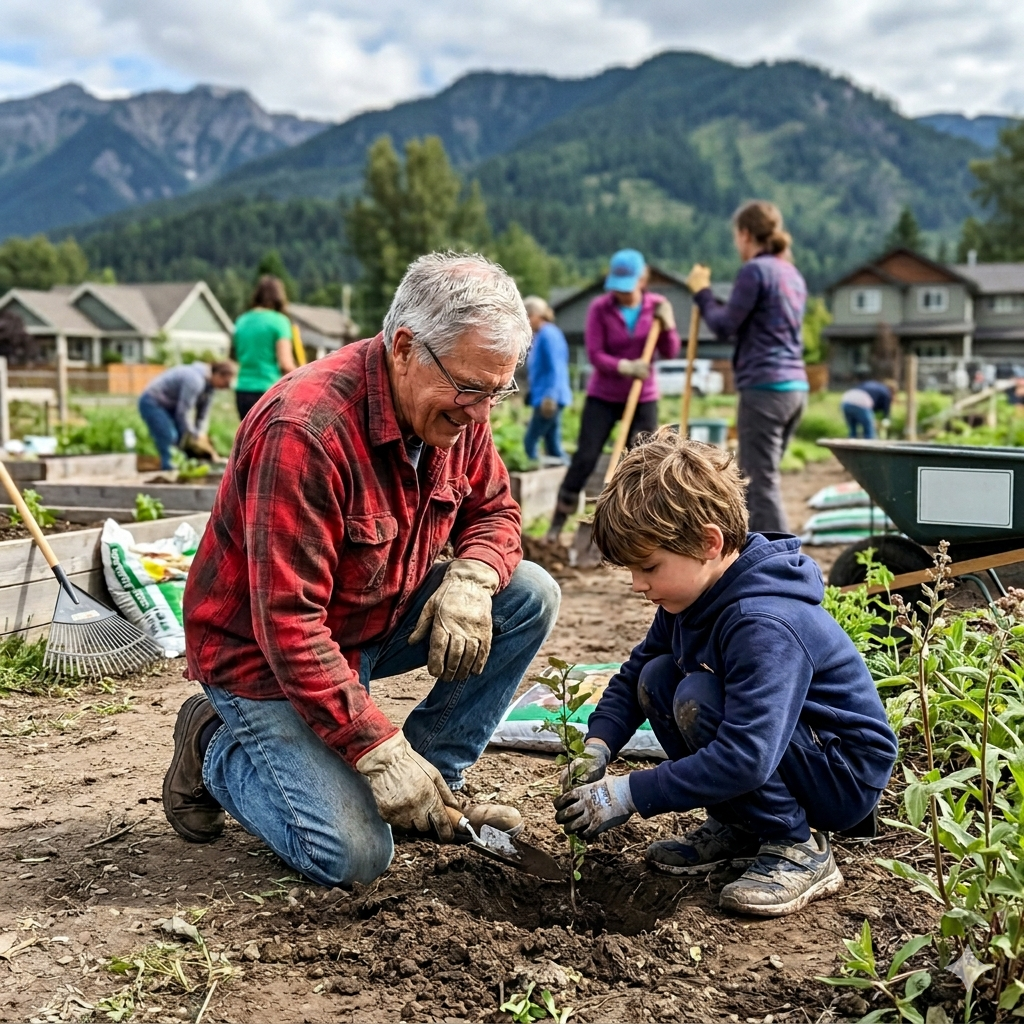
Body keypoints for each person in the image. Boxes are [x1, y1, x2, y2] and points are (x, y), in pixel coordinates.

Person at [164, 252, 562, 889]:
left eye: (497, 393)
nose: (480, 415)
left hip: (372, 621)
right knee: (352, 856)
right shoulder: (306, 430)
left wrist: (474, 575)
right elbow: (290, 627)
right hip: (264, 660)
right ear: (405, 347)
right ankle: (212, 743)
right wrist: (375, 750)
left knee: (530, 593)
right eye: (469, 390)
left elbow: (495, 511)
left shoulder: (458, 411)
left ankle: (433, 784)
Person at [553, 430, 898, 917]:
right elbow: (633, 677)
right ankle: (740, 824)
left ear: (709, 543)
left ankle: (796, 845)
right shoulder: (689, 597)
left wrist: (629, 793)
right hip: (791, 753)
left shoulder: (764, 622)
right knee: (657, 678)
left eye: (649, 566)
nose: (637, 585)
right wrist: (599, 744)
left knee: (699, 697)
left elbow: (748, 755)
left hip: (841, 773)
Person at [686, 201, 808, 533]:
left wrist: (702, 293)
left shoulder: (755, 271)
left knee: (759, 484)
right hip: (795, 387)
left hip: (765, 387)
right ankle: (754, 557)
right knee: (762, 481)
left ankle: (781, 567)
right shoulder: (790, 273)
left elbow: (724, 325)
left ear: (744, 234)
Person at [545, 249, 679, 541]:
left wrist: (668, 326)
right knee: (586, 457)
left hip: (643, 396)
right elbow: (595, 354)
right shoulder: (599, 308)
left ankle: (637, 529)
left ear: (642, 279)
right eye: (617, 288)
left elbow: (670, 351)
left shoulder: (657, 306)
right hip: (604, 395)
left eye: (628, 288)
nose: (622, 295)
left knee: (644, 459)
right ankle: (558, 523)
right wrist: (625, 366)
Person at [138, 361, 236, 470]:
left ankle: (181, 468)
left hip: (171, 405)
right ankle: (169, 470)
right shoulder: (195, 380)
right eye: (225, 382)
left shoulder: (210, 388)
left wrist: (200, 433)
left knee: (181, 438)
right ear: (218, 375)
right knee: (169, 437)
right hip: (153, 402)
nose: (225, 387)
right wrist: (193, 435)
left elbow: (203, 415)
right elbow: (183, 412)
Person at [231, 275, 297, 420]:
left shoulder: (241, 320)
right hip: (267, 391)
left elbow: (234, 355)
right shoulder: (280, 321)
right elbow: (285, 364)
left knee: (248, 440)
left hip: (242, 390)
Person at [523, 296, 572, 466]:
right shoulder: (540, 335)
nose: (527, 321)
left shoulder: (549, 334)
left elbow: (555, 367)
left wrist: (550, 395)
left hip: (549, 398)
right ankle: (564, 475)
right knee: (553, 446)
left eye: (528, 316)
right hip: (545, 395)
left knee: (530, 443)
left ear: (537, 315)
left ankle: (536, 471)